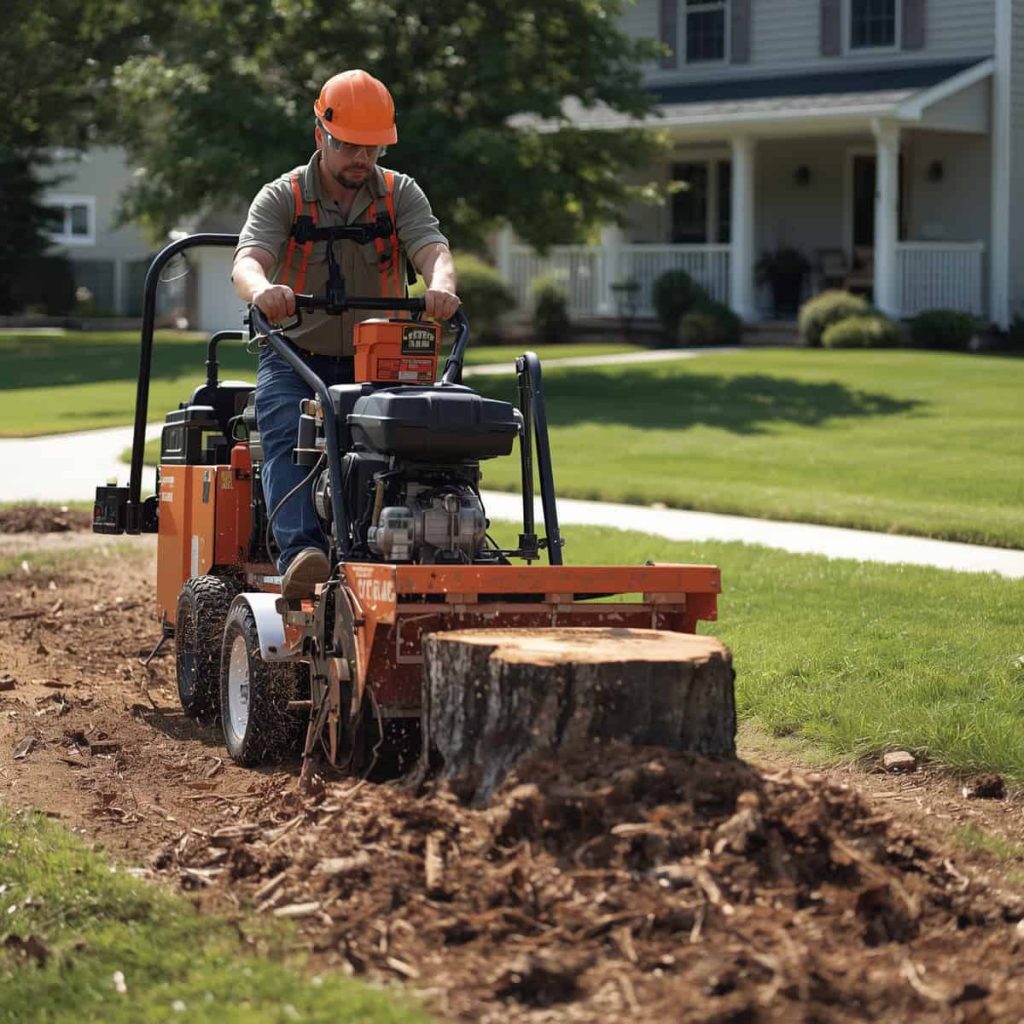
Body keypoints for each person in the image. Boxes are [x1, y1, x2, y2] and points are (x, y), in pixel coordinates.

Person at [231, 70, 460, 598]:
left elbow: (432, 249)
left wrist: (441, 286)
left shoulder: (399, 193)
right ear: (320, 136)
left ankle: (429, 542)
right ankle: (302, 555)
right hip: (296, 355)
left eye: (372, 148)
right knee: (287, 427)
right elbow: (248, 260)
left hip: (380, 362)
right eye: (348, 146)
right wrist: (263, 290)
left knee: (427, 437)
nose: (361, 158)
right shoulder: (281, 196)